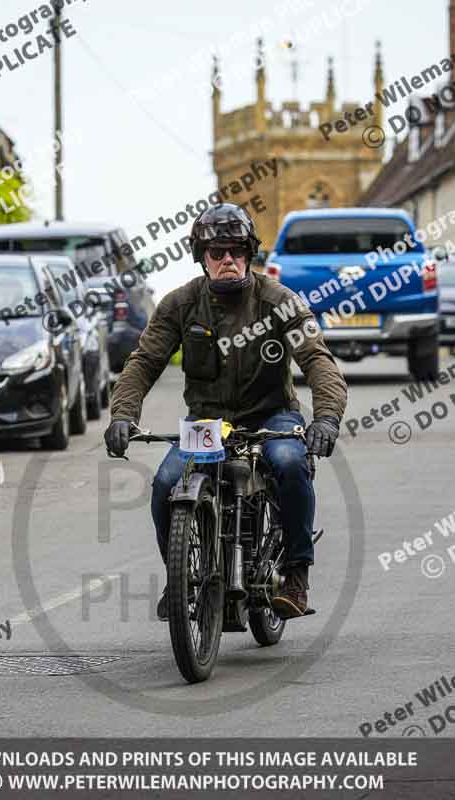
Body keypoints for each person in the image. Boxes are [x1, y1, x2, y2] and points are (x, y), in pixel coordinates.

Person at [104, 203, 347, 621]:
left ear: (250, 254)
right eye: (217, 252)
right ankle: (180, 576)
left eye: (236, 251)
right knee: (165, 483)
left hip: (273, 416)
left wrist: (326, 418)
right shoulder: (179, 305)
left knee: (290, 462)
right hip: (208, 422)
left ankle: (295, 573)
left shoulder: (281, 301)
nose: (227, 260)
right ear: (202, 257)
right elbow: (143, 362)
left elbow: (319, 360)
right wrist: (122, 415)